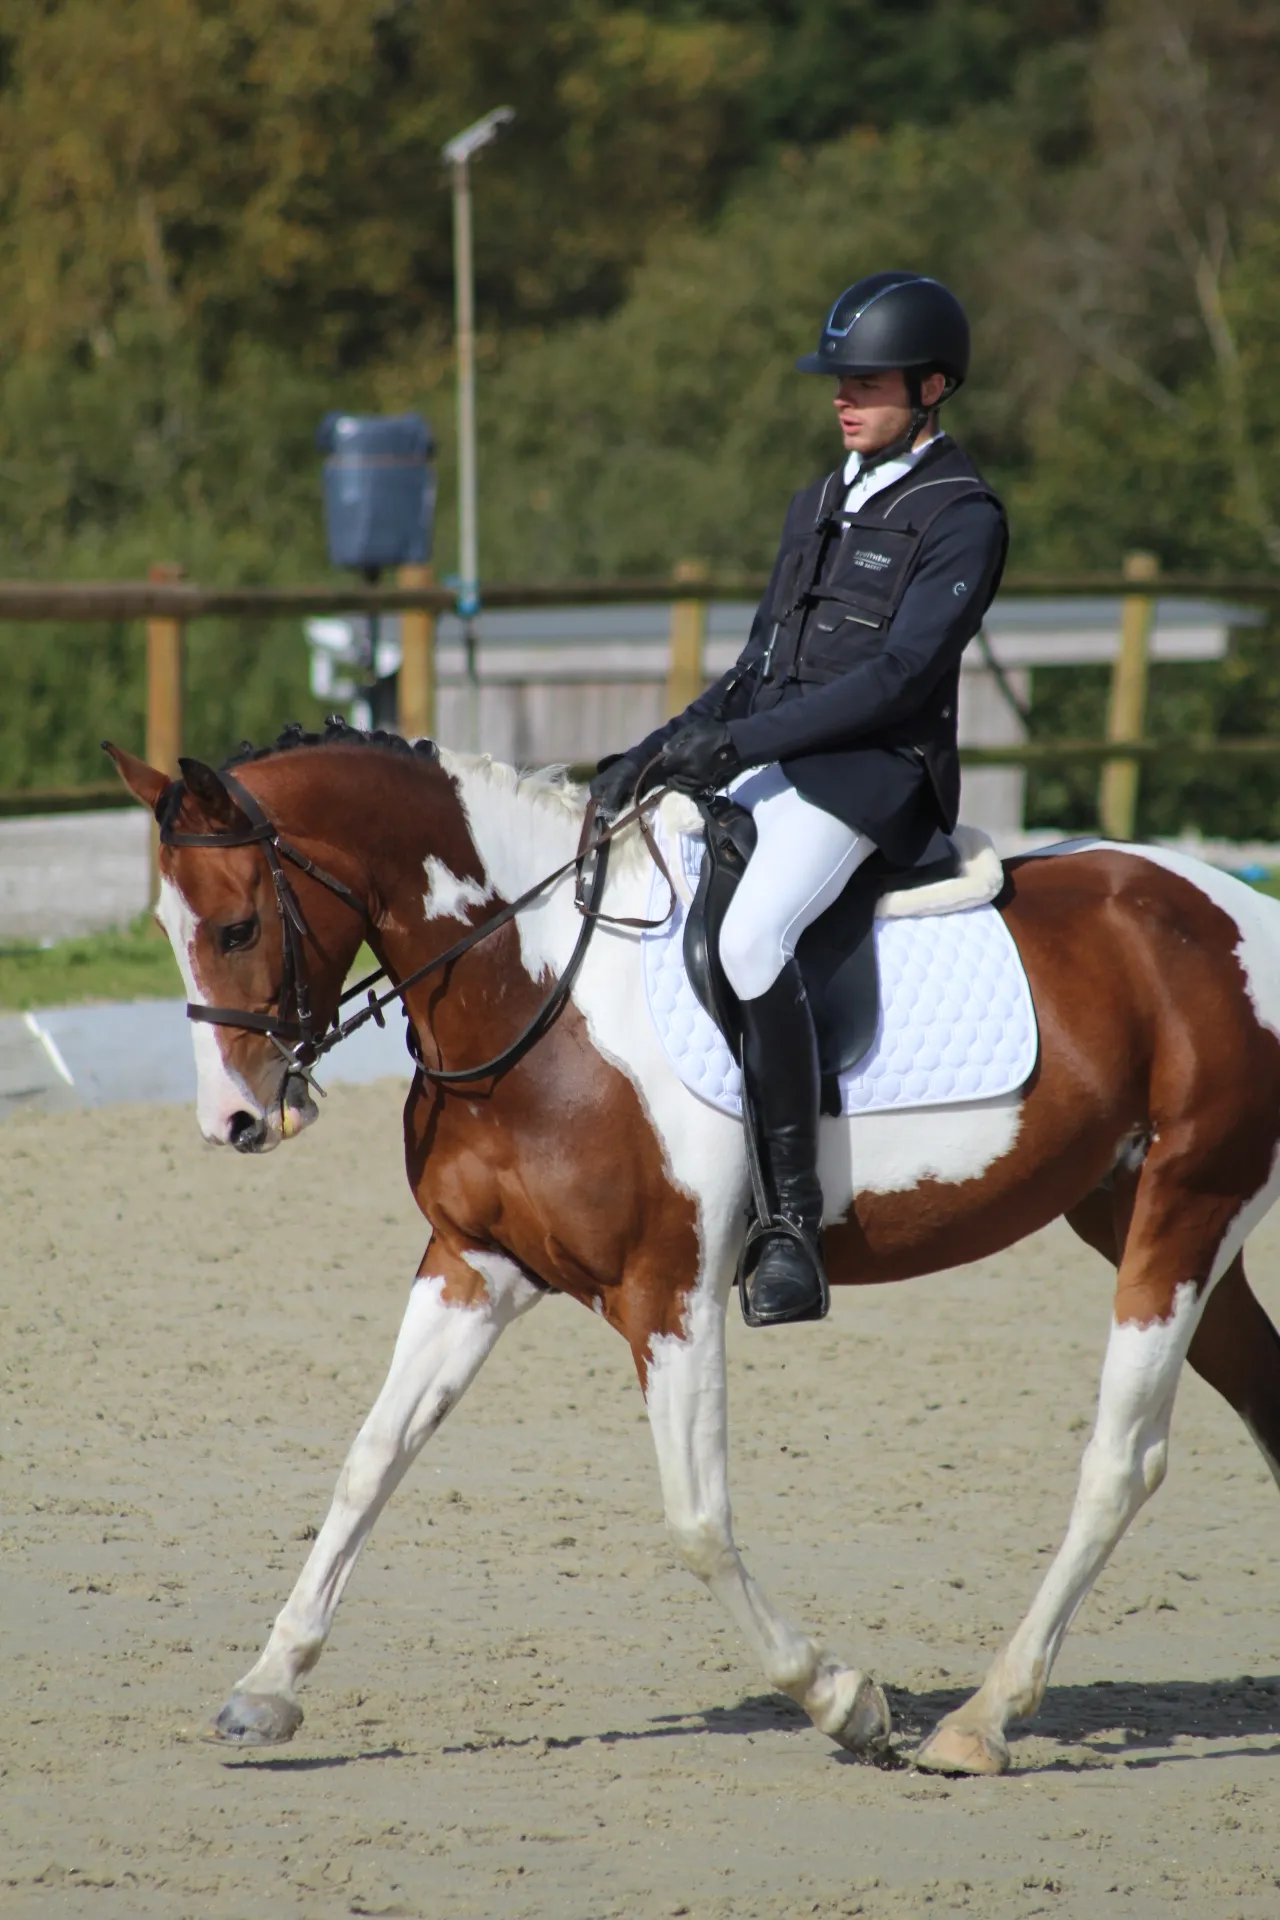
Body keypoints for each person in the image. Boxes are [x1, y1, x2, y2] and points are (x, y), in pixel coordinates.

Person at [591, 271, 1008, 1326]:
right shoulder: (818, 501)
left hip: (874, 775)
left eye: (866, 380)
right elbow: (756, 665)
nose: (842, 396)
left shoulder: (962, 516)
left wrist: (739, 745)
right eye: (838, 379)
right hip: (780, 754)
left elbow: (899, 680)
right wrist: (655, 751)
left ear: (931, 386)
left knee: (750, 937)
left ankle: (789, 1224)